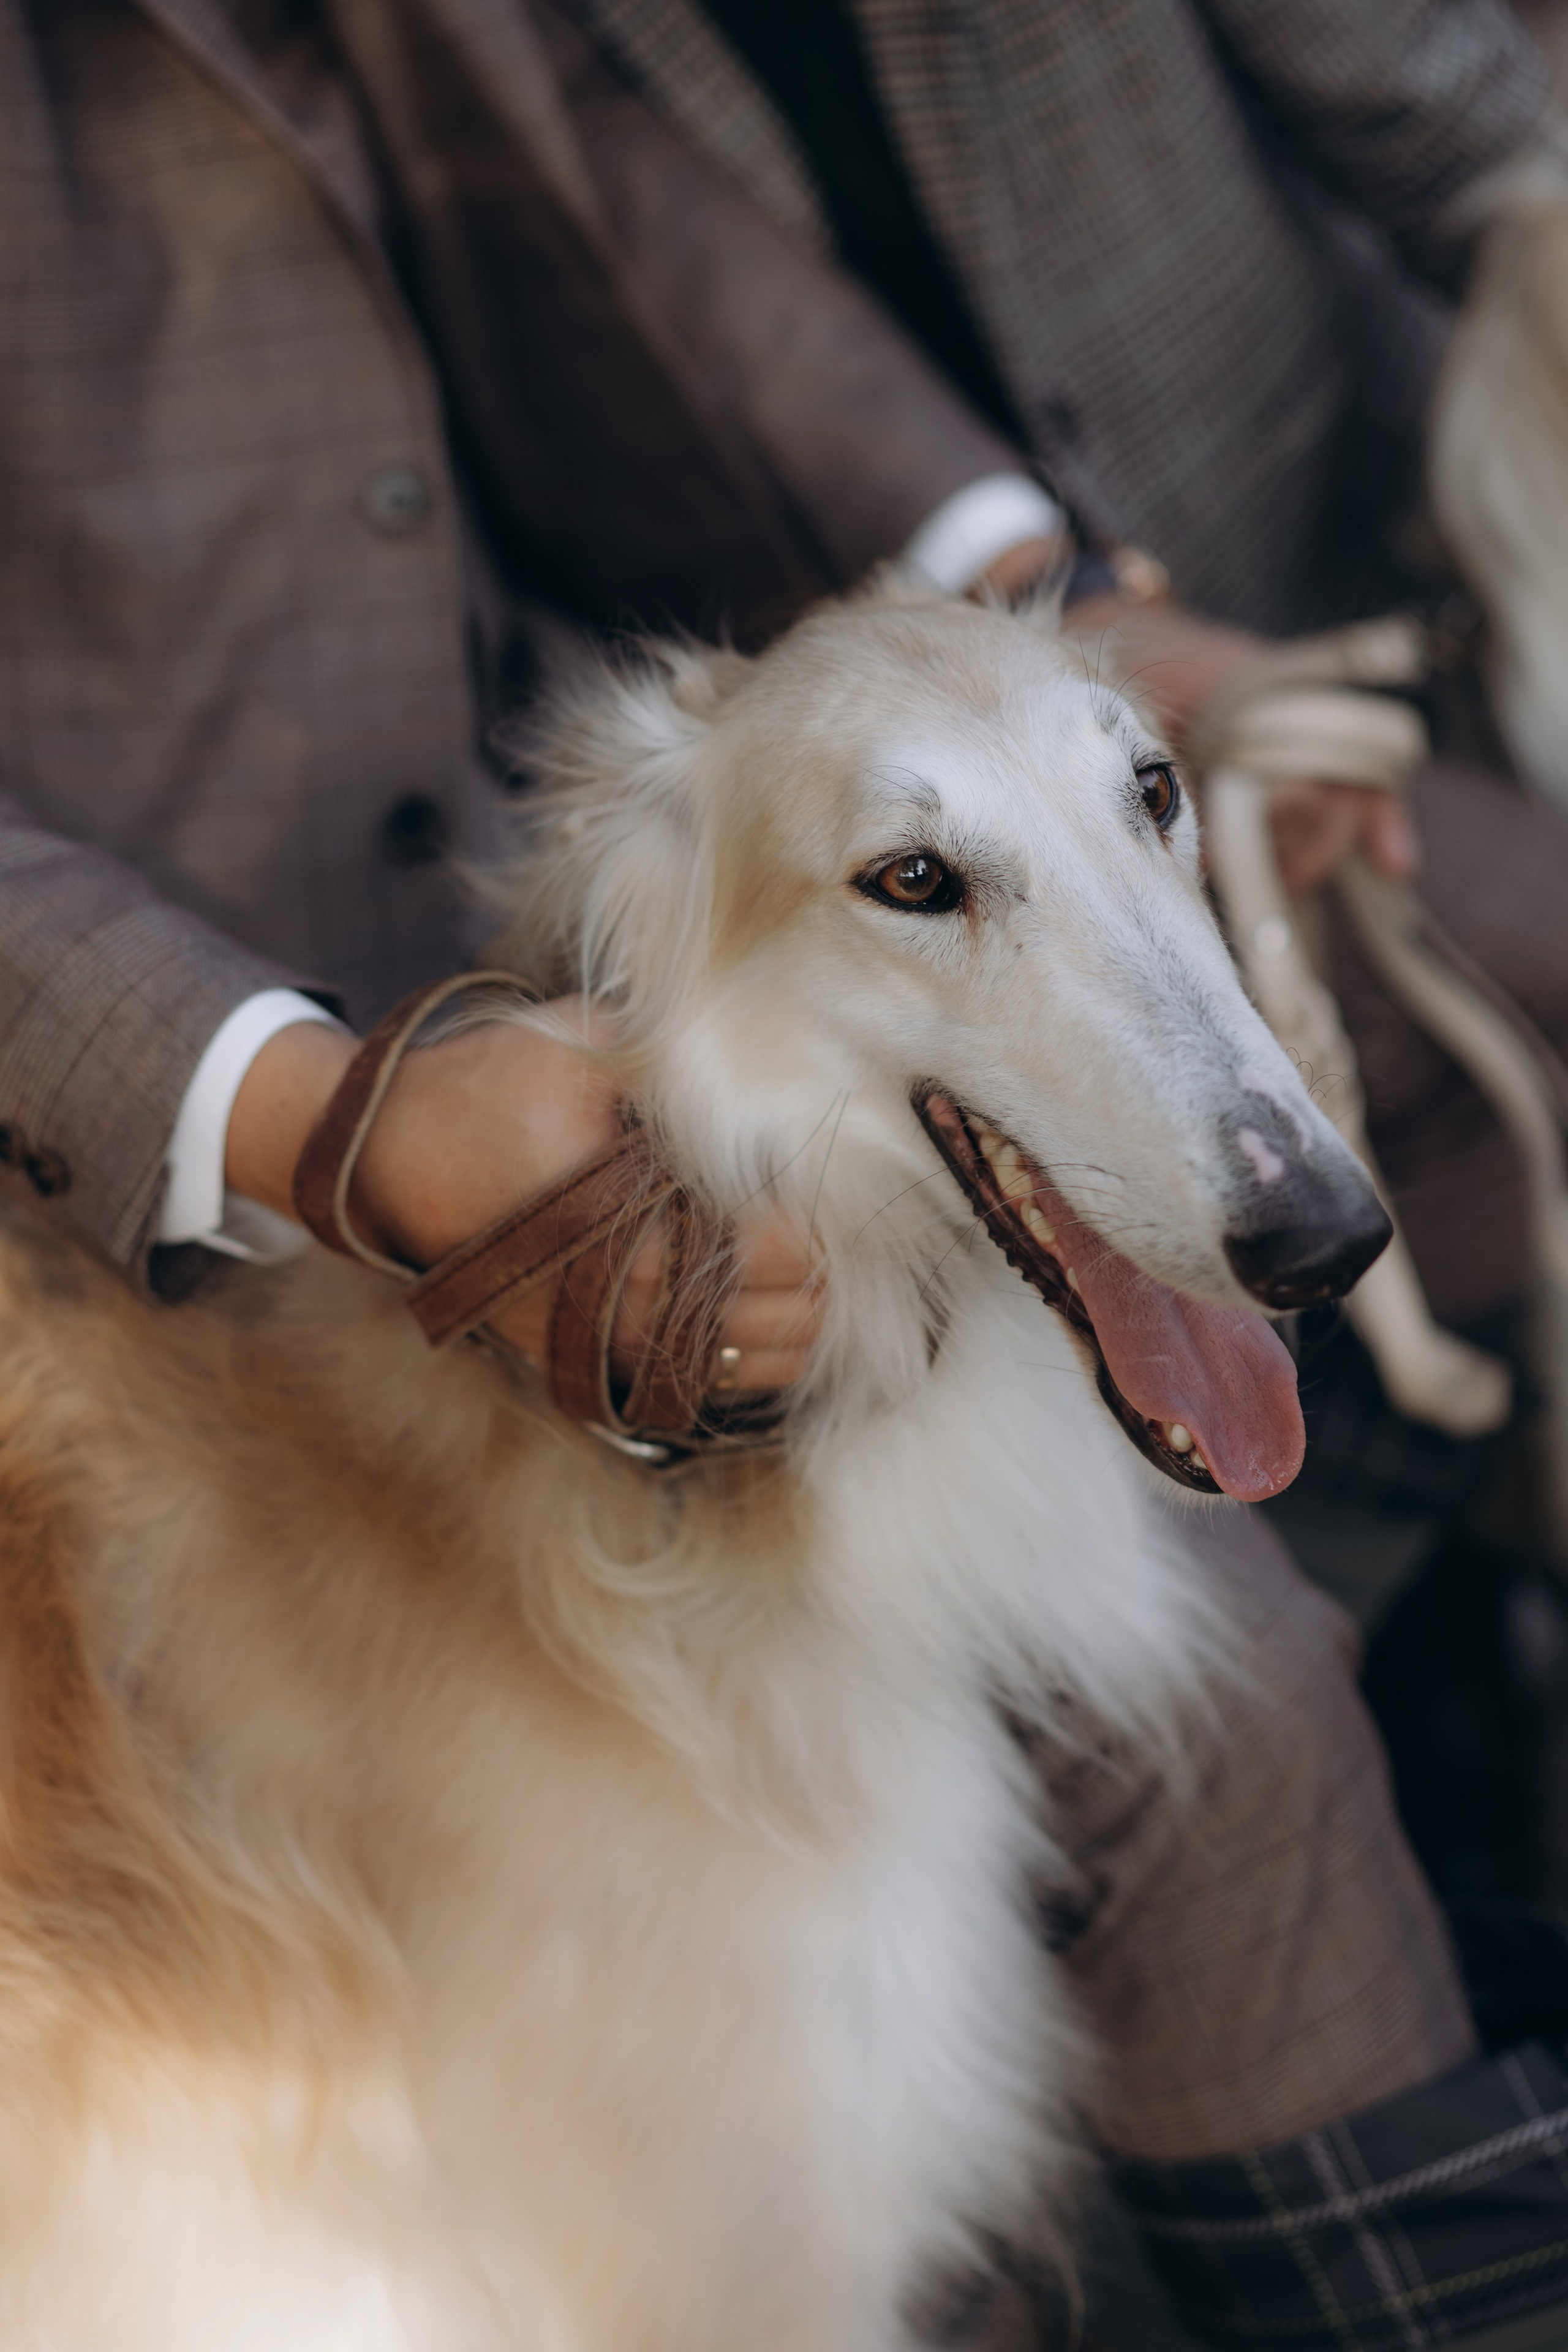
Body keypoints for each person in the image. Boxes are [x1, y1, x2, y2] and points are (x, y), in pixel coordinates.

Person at [3, 6, 1567, 2348]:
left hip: (550, 986)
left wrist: (1056, 594)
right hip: (135, 1188)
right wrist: (309, 1114)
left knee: (1228, 1668)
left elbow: (618, 259)